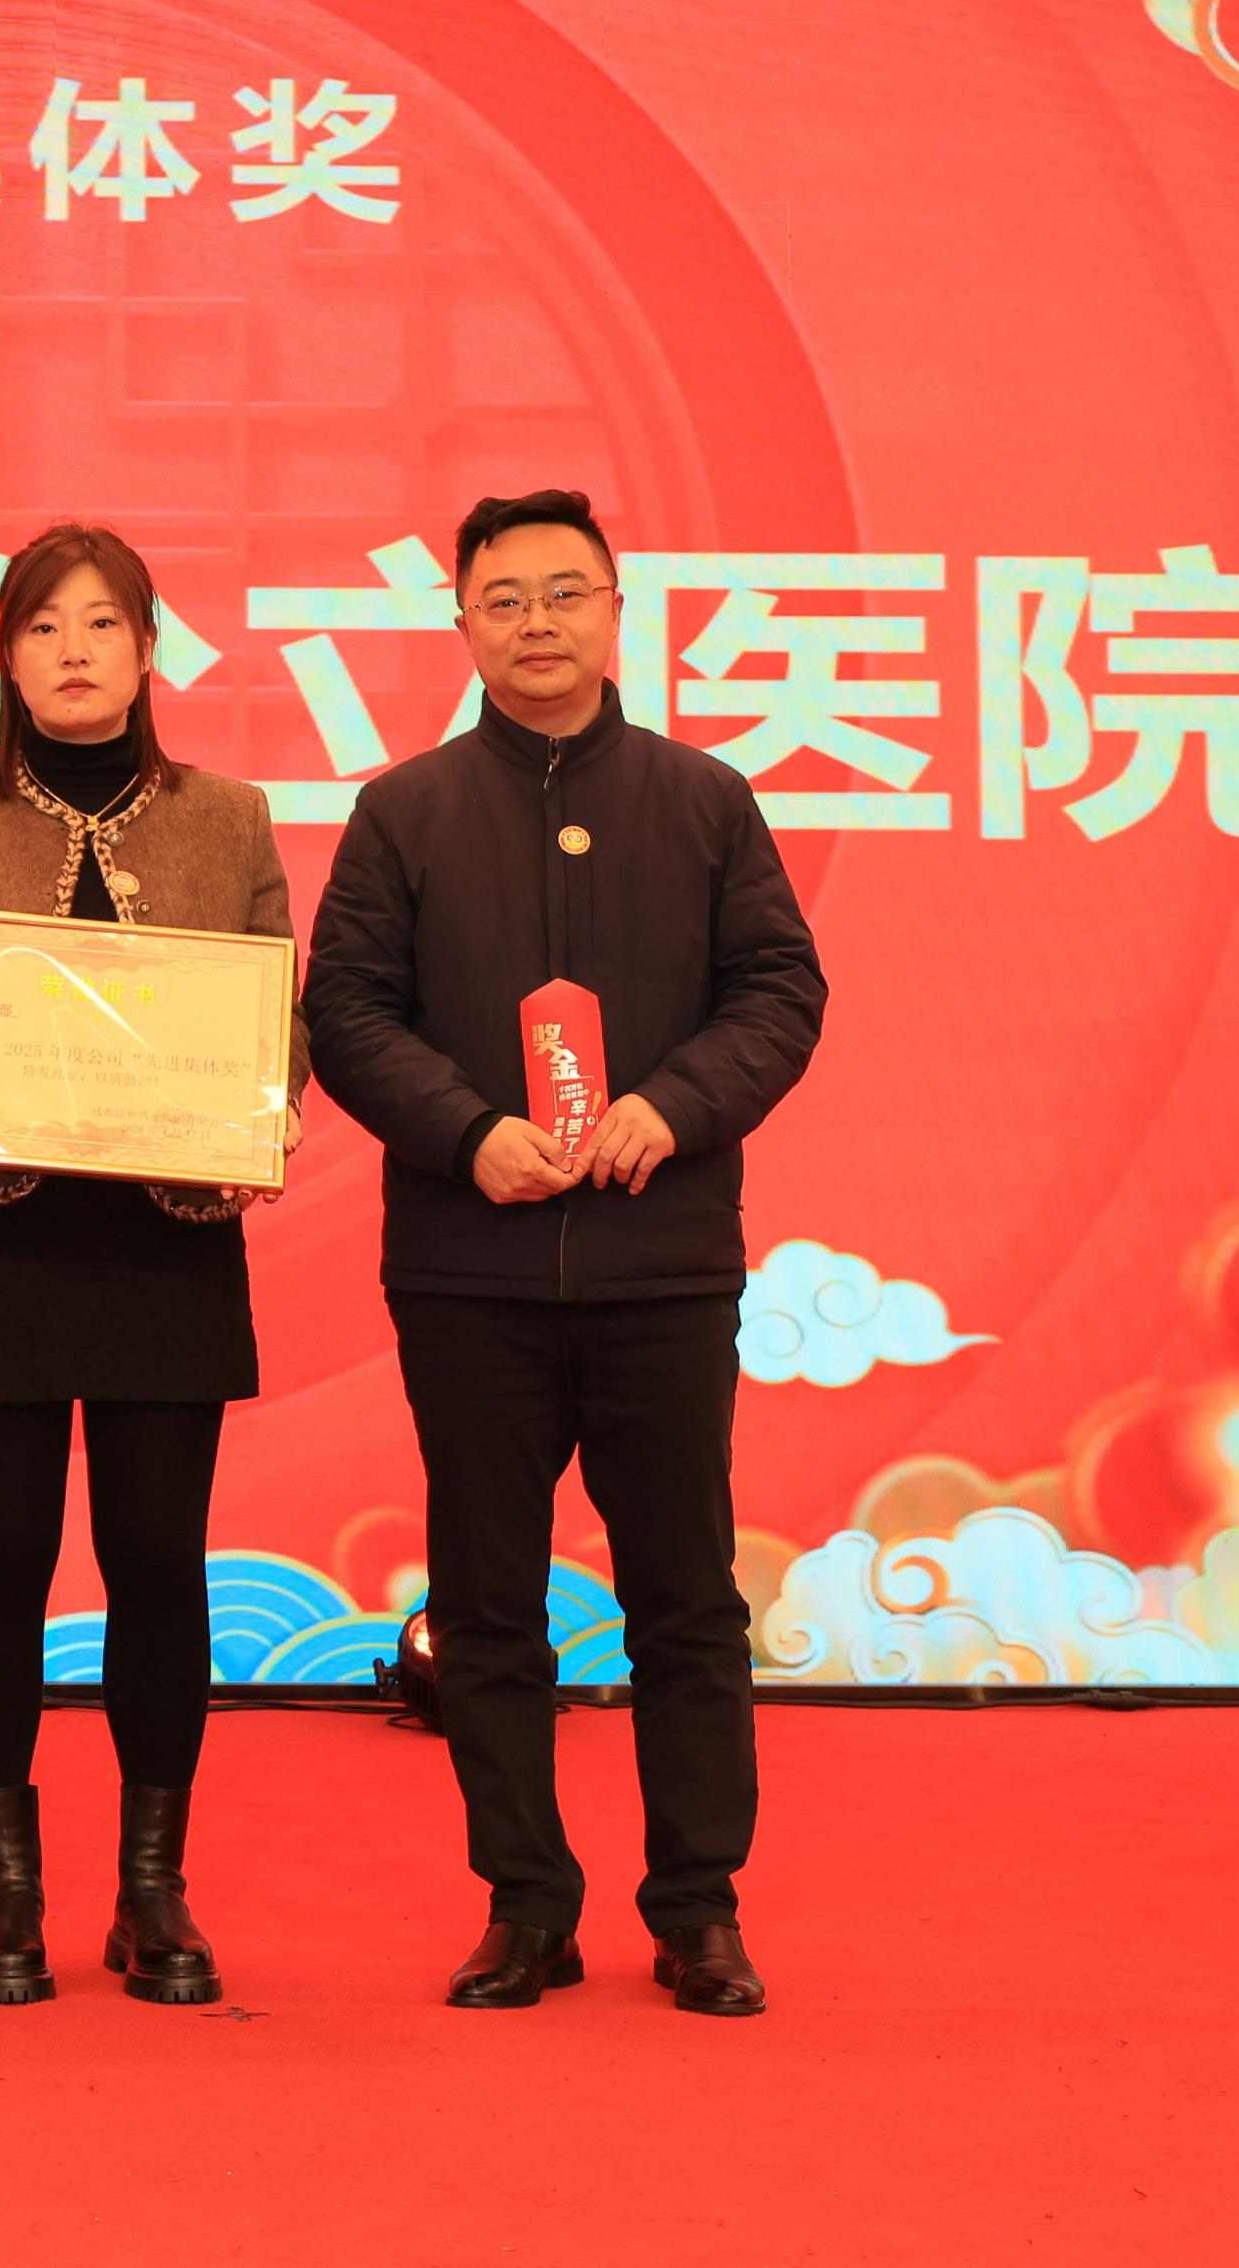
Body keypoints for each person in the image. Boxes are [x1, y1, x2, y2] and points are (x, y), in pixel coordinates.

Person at [305, 486, 825, 2019]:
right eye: (506, 599)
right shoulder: (406, 811)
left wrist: (674, 1104)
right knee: (486, 1602)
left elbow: (779, 993)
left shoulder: (704, 800)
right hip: (469, 1269)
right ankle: (525, 1904)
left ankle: (699, 1909)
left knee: (685, 1600)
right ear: (464, 624)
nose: (537, 623)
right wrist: (466, 1131)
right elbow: (347, 1013)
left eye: (565, 593)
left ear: (615, 611)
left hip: (664, 1264)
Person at [0, 523, 307, 2010]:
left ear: (150, 650)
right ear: (4, 654)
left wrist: (270, 1100)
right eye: (43, 627)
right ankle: (6, 1890)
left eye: (103, 624)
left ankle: (153, 1888)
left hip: (168, 1240)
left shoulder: (229, 817)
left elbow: (278, 1008)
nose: (74, 652)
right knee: (0, 1561)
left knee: (160, 1565)